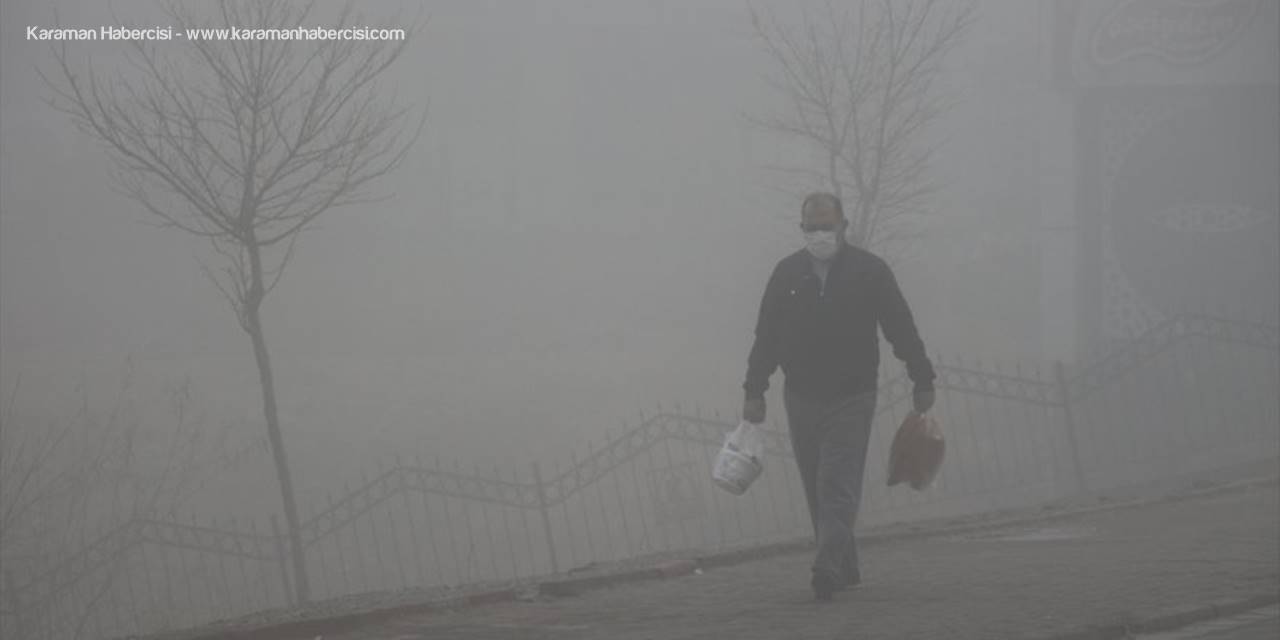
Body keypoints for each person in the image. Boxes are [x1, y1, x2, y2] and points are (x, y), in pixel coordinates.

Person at [741, 192, 936, 601]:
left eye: (827, 225)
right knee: (816, 484)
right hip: (801, 396)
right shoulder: (787, 274)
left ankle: (826, 564)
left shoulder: (870, 272)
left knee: (837, 480)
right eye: (812, 226)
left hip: (853, 395)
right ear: (802, 229)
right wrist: (754, 389)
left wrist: (921, 377)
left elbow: (900, 325)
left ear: (844, 226)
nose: (819, 233)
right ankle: (845, 566)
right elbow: (767, 336)